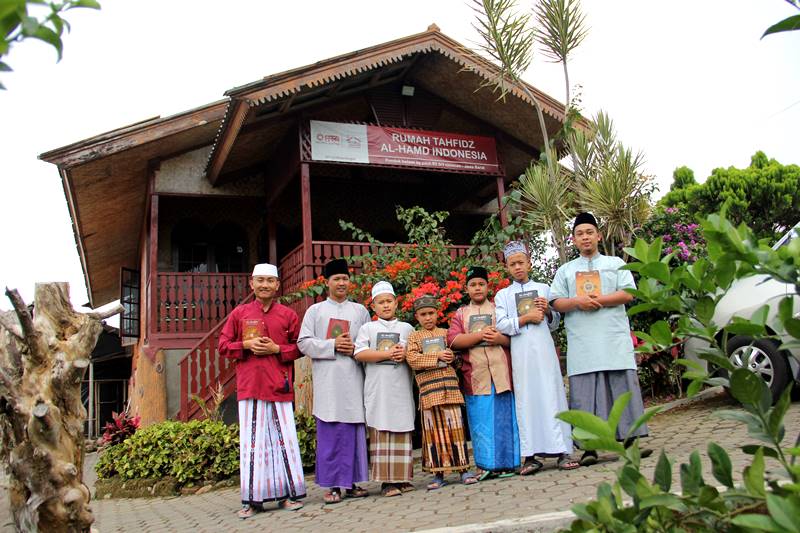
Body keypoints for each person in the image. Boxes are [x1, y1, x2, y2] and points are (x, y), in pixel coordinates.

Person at [550, 212, 650, 466]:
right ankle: (589, 449)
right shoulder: (565, 270)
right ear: (573, 240)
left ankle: (631, 443)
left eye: (589, 233)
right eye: (580, 234)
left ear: (599, 235)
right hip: (583, 342)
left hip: (613, 337)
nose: (585, 237)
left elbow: (628, 293)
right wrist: (577, 302)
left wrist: (598, 301)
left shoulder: (615, 263)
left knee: (622, 388)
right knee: (585, 395)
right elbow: (556, 302)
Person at [218, 263, 306, 519]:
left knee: (284, 441)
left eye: (270, 280)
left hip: (279, 384)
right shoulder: (240, 314)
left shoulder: (288, 315)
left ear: (278, 285)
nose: (265, 285)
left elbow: (299, 348)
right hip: (250, 386)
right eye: (260, 280)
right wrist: (246, 344)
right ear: (252, 283)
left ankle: (289, 495)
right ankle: (252, 500)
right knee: (253, 444)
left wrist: (276, 349)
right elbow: (223, 346)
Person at [494, 241, 579, 474]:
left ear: (529, 263)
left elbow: (554, 324)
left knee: (553, 395)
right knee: (526, 400)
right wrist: (524, 319)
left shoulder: (544, 288)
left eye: (521, 262)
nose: (518, 267)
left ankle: (563, 452)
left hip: (544, 352)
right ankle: (530, 456)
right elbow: (501, 324)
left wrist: (548, 310)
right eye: (513, 264)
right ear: (507, 268)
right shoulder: (503, 295)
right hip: (521, 355)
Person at [297, 258, 372, 504]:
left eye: (345, 278)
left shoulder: (360, 311)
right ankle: (332, 487)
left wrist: (354, 349)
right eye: (336, 279)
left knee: (352, 432)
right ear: (326, 282)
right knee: (330, 433)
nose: (341, 283)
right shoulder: (315, 311)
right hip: (328, 379)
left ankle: (351, 484)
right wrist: (332, 345)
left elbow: (367, 342)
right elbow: (303, 342)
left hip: (353, 376)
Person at [447, 266, 519, 480]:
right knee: (481, 420)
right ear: (466, 288)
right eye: (473, 285)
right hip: (476, 376)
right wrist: (479, 336)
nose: (477, 288)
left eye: (481, 284)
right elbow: (453, 340)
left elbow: (514, 336)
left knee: (505, 418)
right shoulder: (461, 314)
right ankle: (486, 465)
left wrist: (500, 340)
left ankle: (509, 464)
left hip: (501, 373)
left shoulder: (499, 309)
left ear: (488, 286)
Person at [406, 294, 478, 489]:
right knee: (433, 434)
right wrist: (437, 355)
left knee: (456, 430)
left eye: (431, 313)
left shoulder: (446, 334)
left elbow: (459, 358)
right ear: (417, 317)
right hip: (429, 393)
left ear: (437, 313)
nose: (428, 318)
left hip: (450, 390)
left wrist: (451, 357)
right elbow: (412, 359)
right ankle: (438, 474)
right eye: (423, 314)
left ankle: (463, 469)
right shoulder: (414, 337)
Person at [353, 281, 416, 497]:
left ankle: (402, 478)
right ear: (373, 306)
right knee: (382, 431)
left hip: (401, 388)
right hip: (378, 389)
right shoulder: (368, 328)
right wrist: (387, 354)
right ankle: (387, 483)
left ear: (396, 303)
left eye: (389, 301)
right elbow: (360, 353)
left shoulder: (407, 328)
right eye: (381, 302)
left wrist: (405, 354)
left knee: (402, 428)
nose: (386, 306)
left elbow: (415, 353)